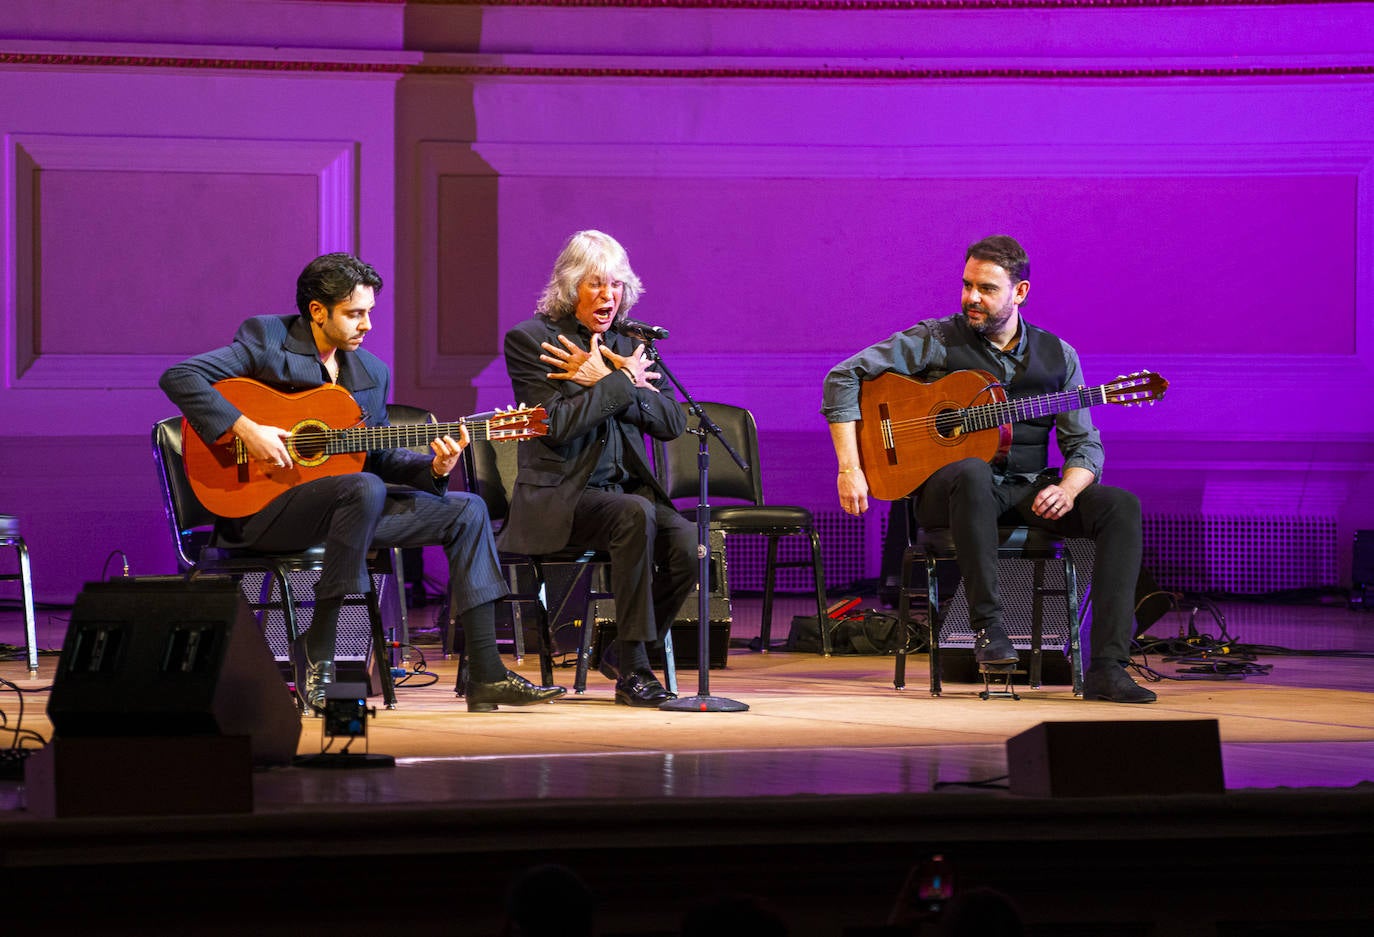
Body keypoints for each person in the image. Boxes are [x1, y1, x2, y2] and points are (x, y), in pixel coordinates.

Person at [159, 252, 567, 713]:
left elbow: (372, 455)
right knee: (363, 488)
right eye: (355, 314)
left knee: (467, 509)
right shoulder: (266, 338)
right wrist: (246, 429)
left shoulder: (370, 373)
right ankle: (322, 653)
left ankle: (488, 675)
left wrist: (432, 469)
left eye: (370, 312)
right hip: (262, 511)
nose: (367, 324)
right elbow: (180, 376)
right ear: (317, 311)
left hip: (347, 512)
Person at [822, 235, 1155, 704]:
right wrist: (849, 468)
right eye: (966, 285)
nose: (971, 298)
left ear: (1020, 293)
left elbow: (1084, 445)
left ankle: (1107, 666)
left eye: (986, 288)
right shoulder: (937, 339)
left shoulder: (1059, 356)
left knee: (1121, 505)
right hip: (950, 493)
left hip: (1026, 489)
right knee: (973, 472)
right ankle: (988, 629)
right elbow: (843, 376)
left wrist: (1069, 486)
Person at [500, 230, 697, 707]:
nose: (609, 297)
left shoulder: (629, 341)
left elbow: (672, 422)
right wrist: (620, 383)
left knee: (688, 544)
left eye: (616, 285)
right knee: (634, 513)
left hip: (624, 494)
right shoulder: (532, 341)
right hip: (562, 497)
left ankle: (619, 649)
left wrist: (608, 378)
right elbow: (558, 425)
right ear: (570, 287)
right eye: (595, 285)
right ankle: (634, 672)